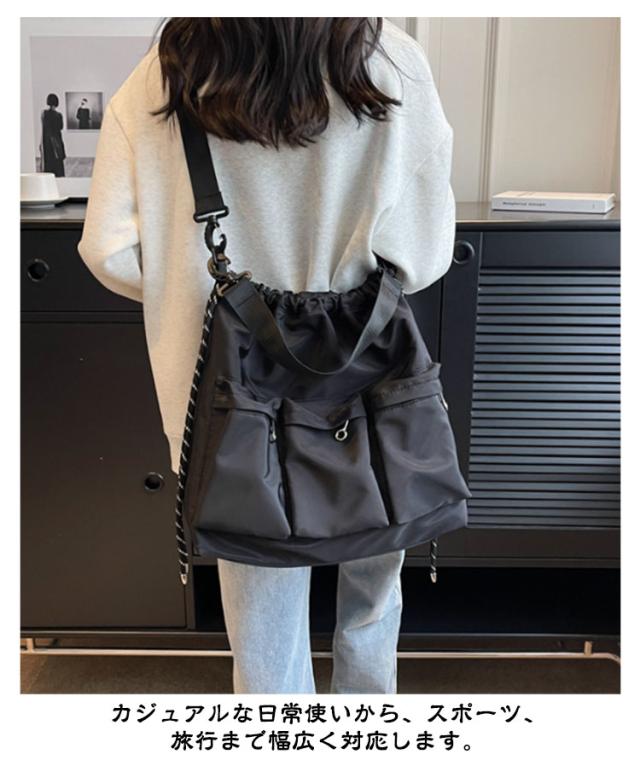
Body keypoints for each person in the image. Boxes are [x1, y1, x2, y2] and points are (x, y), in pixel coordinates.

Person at [77, 17, 456, 694]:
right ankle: (367, 725)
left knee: (261, 607)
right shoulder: (390, 60)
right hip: (368, 384)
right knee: (375, 569)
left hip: (226, 396)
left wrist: (199, 293)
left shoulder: (166, 71)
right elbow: (422, 252)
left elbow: (108, 249)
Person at [40, 92, 66, 176]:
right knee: (58, 163)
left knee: (48, 162)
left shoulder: (44, 114)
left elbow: (44, 127)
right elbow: (61, 127)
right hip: (56, 140)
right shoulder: (58, 115)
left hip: (47, 141)